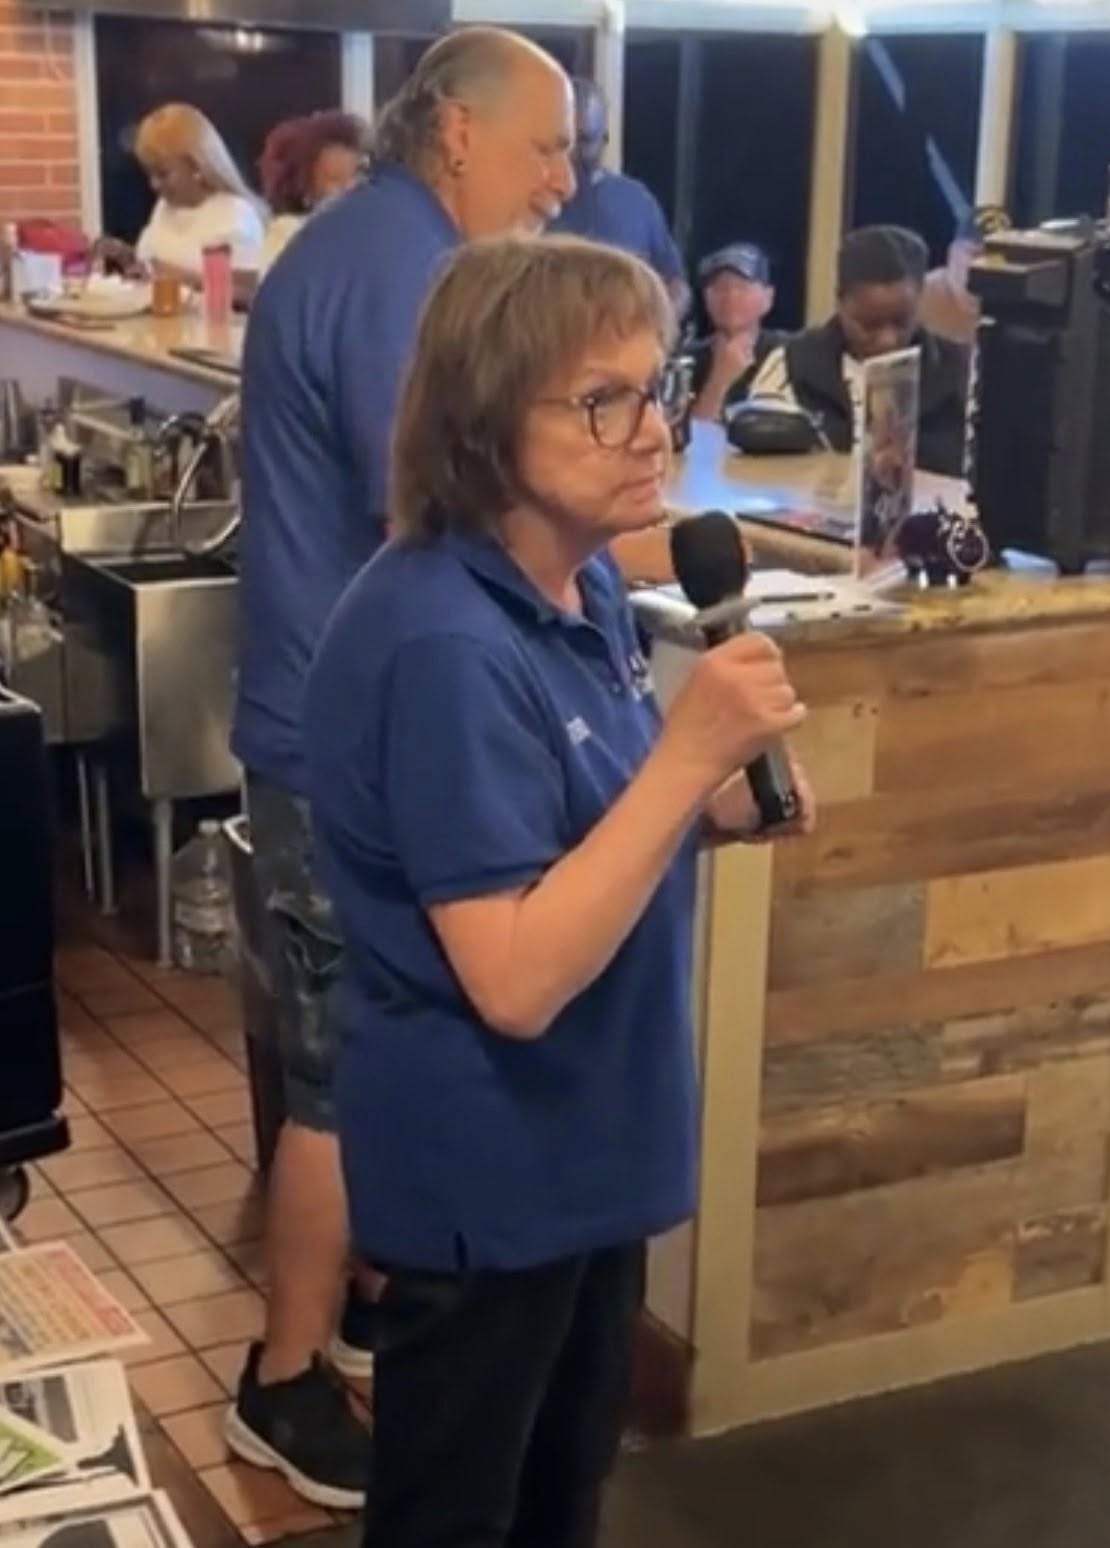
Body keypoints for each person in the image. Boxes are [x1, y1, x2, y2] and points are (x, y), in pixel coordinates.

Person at [303, 233, 814, 1548]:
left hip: (586, 1151)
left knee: (558, 1505)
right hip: (490, 1177)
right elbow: (517, 978)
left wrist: (707, 805)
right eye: (602, 399)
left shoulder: (576, 585)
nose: (653, 430)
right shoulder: (442, 642)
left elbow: (573, 834)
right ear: (482, 424)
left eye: (658, 385)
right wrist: (686, 757)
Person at [225, 27, 576, 1510]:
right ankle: (283, 1378)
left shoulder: (367, 244)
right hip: (341, 743)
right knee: (339, 1078)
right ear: (458, 135)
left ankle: (366, 1306)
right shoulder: (408, 274)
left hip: (325, 722)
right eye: (548, 147)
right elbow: (433, 506)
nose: (562, 183)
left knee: (373, 1052)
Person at [745, 224, 968, 476]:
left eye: (901, 322)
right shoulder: (793, 362)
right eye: (869, 325)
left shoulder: (960, 372)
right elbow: (754, 462)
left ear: (919, 301)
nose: (887, 340)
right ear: (840, 303)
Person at [550, 77, 690, 318]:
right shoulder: (523, 197)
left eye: (584, 140)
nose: (573, 153)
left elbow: (676, 283)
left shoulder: (635, 201)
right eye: (564, 141)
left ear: (603, 141)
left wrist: (656, 323)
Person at [98, 104, 265, 285]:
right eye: (149, 173)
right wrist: (128, 258)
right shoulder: (164, 207)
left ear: (196, 166)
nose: (154, 184)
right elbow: (154, 265)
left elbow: (244, 291)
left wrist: (167, 274)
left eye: (163, 174)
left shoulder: (233, 215)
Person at [256, 111, 370, 277]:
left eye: (360, 174)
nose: (353, 189)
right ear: (305, 191)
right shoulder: (289, 235)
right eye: (335, 180)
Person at [690, 242, 786, 421]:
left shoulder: (789, 354)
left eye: (742, 287)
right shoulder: (687, 361)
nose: (730, 296)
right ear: (706, 297)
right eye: (720, 288)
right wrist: (719, 380)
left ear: (768, 298)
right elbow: (693, 436)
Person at [920, 204, 1010, 347]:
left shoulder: (1017, 309)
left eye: (995, 258)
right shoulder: (917, 298)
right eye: (975, 255)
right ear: (952, 253)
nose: (985, 267)